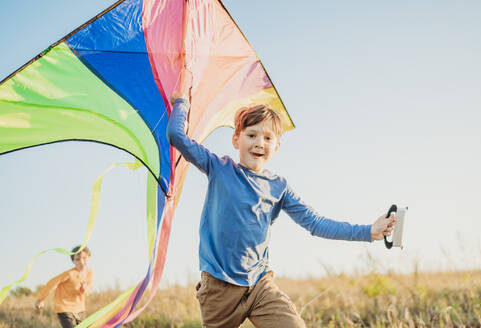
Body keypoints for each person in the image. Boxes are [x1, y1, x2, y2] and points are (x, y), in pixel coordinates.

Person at [167, 69, 396, 328]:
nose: (259, 143)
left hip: (259, 286)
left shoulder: (279, 187)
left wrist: (368, 231)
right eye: (251, 135)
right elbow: (177, 137)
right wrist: (181, 103)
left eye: (268, 138)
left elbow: (316, 223)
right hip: (219, 289)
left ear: (276, 146)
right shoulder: (218, 168)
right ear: (235, 139)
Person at [35, 246, 93, 328]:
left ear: (89, 258)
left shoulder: (90, 273)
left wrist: (84, 290)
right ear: (73, 261)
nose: (81, 262)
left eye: (84, 258)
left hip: (80, 308)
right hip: (65, 308)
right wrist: (40, 299)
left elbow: (89, 289)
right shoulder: (69, 274)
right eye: (77, 259)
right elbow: (52, 283)